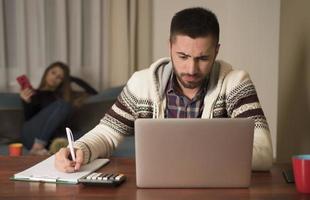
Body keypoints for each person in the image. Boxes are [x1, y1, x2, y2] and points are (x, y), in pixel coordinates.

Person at [55, 7, 273, 172]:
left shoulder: (236, 83)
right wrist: (79, 151)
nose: (191, 69)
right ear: (170, 46)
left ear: (216, 51)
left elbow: (263, 153)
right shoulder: (142, 84)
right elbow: (107, 134)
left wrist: (190, 156)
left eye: (203, 58)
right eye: (183, 56)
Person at [20, 62, 96, 155]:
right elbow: (29, 118)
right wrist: (26, 102)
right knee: (64, 104)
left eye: (60, 77)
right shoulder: (34, 93)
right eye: (53, 73)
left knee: (88, 135)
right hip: (31, 134)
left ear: (63, 81)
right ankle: (38, 147)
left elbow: (93, 93)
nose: (55, 77)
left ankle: (53, 147)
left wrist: (71, 79)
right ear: (47, 72)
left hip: (51, 139)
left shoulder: (64, 95)